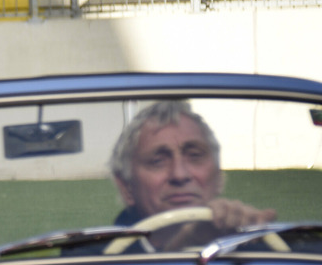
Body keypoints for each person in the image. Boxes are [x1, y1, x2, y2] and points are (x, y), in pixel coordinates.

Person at [108, 100, 274, 246]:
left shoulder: (264, 252)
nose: (179, 175)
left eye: (195, 156)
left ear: (219, 176)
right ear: (126, 187)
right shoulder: (97, 263)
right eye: (158, 161)